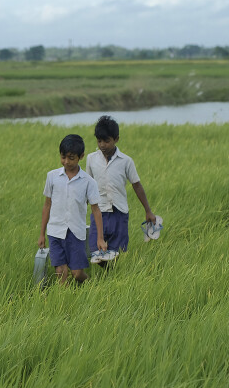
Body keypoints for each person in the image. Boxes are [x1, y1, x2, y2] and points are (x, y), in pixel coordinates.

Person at [83, 115, 156, 260]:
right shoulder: (91, 159)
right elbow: (87, 186)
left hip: (119, 212)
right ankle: (106, 272)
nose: (102, 145)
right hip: (99, 212)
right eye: (99, 141)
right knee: (96, 252)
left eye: (106, 141)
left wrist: (148, 210)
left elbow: (137, 185)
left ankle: (115, 272)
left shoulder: (126, 161)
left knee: (118, 253)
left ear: (116, 139)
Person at [38, 134, 107, 286]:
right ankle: (65, 298)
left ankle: (91, 285)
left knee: (77, 273)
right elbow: (47, 205)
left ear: (81, 156)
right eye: (63, 157)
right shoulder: (52, 177)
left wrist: (100, 238)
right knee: (60, 273)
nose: (66, 162)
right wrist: (42, 234)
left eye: (71, 158)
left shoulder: (88, 182)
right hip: (55, 231)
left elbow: (96, 210)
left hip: (76, 233)